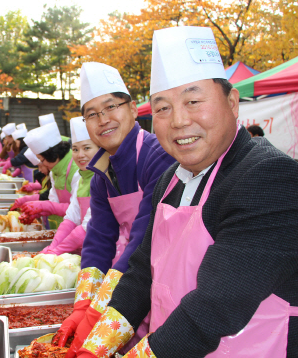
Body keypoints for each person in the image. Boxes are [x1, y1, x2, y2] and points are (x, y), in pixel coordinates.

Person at [77, 26, 298, 358]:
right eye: (163, 108)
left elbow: (213, 308)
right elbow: (140, 275)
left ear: (233, 102)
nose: (178, 120)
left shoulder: (268, 177)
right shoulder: (171, 179)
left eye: (193, 101)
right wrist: (95, 344)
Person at [53, 61, 176, 357]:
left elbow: (143, 240)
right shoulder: (101, 176)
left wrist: (96, 317)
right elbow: (97, 242)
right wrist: (82, 306)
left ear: (133, 109)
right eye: (92, 114)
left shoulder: (157, 157)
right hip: (130, 282)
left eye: (111, 107)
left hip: (163, 285)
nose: (103, 119)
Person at [41, 117, 97, 255]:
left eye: (87, 148)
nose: (80, 155)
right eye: (75, 149)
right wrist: (53, 246)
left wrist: (57, 250)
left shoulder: (103, 179)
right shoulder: (81, 179)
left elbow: (88, 226)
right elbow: (72, 216)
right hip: (86, 249)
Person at [19, 122, 80, 229]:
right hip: (59, 228)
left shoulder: (77, 170)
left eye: (42, 160)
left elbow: (78, 209)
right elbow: (54, 200)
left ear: (53, 155)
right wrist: (38, 212)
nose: (43, 165)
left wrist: (44, 206)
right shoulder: (54, 171)